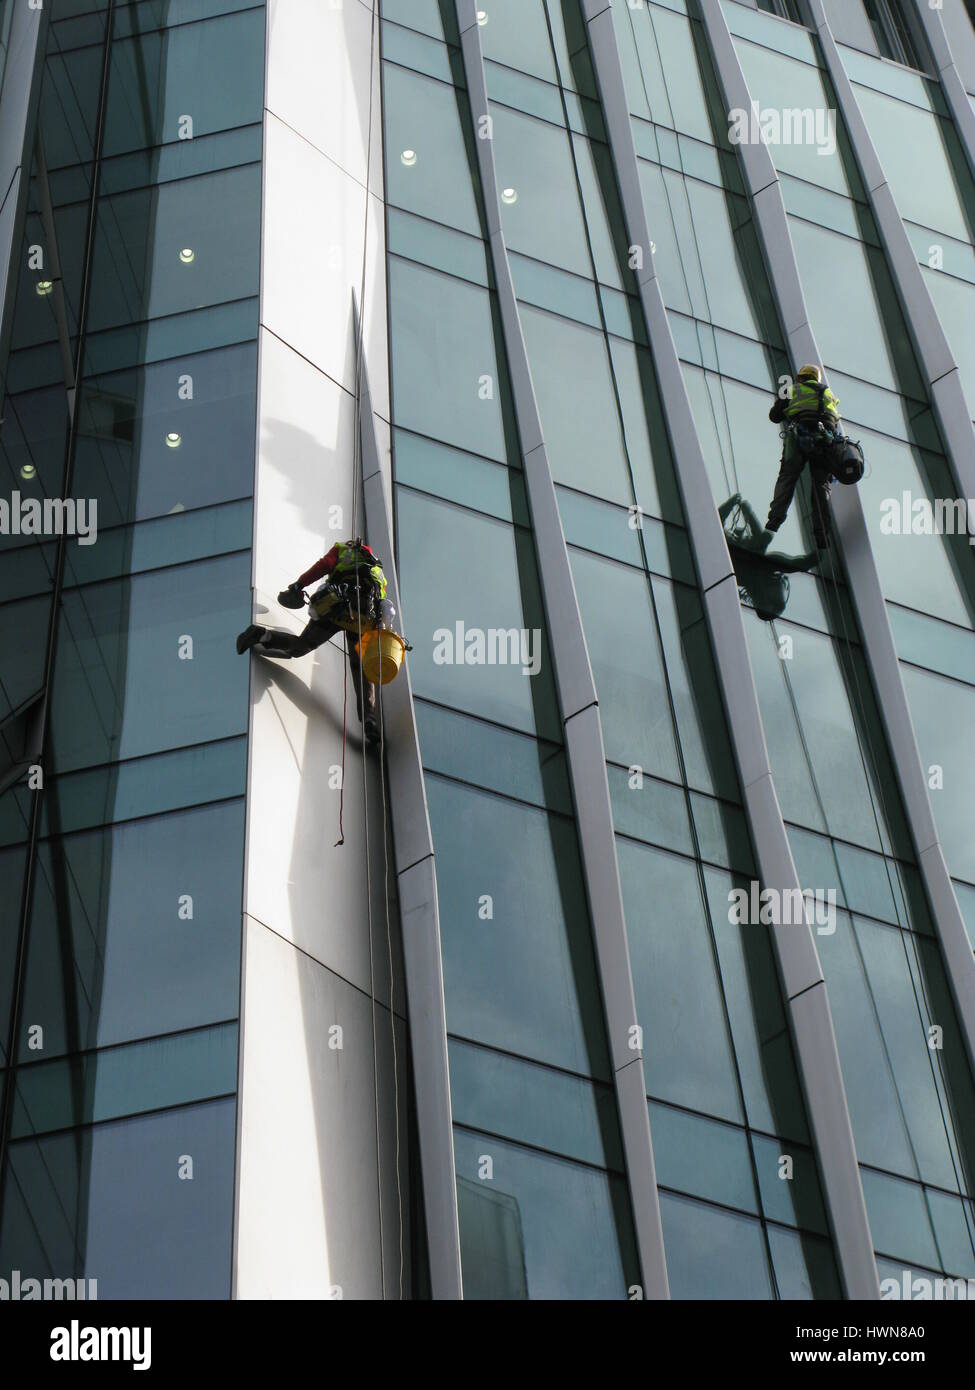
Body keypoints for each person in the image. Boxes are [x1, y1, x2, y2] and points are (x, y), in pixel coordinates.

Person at [236, 538, 389, 745]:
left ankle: (261, 635)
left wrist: (298, 585)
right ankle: (369, 720)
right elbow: (383, 605)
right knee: (361, 668)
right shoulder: (375, 567)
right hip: (363, 616)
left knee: (301, 646)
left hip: (336, 605)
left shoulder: (343, 550)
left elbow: (323, 566)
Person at [765, 365, 842, 550]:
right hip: (824, 442)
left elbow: (774, 416)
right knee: (821, 488)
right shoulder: (829, 394)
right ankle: (821, 536)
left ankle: (774, 522)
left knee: (788, 477)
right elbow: (834, 422)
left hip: (799, 437)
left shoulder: (794, 389)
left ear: (801, 378)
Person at [720, 494, 818, 622]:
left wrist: (736, 505)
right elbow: (795, 564)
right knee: (763, 541)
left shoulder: (754, 570)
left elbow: (713, 524)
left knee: (762, 542)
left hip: (736, 552)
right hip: (740, 552)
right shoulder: (758, 569)